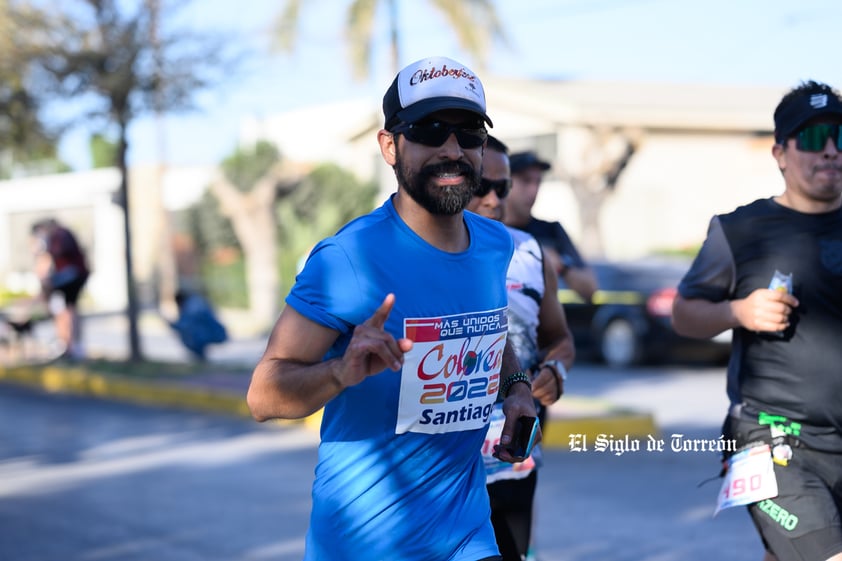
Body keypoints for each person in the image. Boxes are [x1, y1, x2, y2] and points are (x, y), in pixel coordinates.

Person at [247, 56, 540, 561]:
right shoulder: (348, 259)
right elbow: (264, 396)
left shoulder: (495, 244)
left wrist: (516, 389)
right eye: (429, 130)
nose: (452, 150)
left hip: (469, 533)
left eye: (469, 133)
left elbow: (487, 326)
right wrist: (342, 370)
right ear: (390, 146)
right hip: (366, 544)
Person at [671, 80, 842, 561]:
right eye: (812, 139)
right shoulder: (739, 230)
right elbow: (683, 314)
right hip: (771, 439)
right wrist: (738, 311)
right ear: (781, 153)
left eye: (840, 138)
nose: (829, 151)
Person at [467, 135, 575, 561]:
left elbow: (560, 339)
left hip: (513, 453)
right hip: (445, 464)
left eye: (503, 187)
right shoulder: (423, 255)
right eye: (482, 187)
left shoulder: (530, 251)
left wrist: (555, 372)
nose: (494, 199)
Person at [503, 151, 597, 302]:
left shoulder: (551, 230)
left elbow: (590, 289)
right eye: (526, 181)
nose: (534, 190)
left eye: (538, 182)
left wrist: (560, 265)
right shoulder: (490, 228)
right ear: (505, 182)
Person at [30, 218, 90, 360]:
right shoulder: (62, 234)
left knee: (66, 311)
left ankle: (69, 344)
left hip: (69, 277)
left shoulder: (59, 235)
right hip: (70, 277)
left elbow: (52, 255)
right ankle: (67, 344)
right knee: (64, 310)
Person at [168, 289, 228, 361]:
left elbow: (185, 325)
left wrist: (172, 325)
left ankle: (200, 357)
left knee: (190, 334)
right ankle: (201, 357)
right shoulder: (196, 303)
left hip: (206, 335)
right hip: (211, 332)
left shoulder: (191, 308)